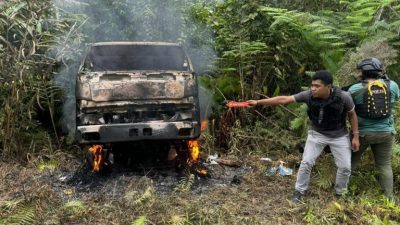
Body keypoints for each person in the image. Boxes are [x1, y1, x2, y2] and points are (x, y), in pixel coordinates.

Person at [247, 70, 359, 203]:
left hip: (339, 135)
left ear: (329, 87)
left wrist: (355, 136)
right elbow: (284, 99)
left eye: (317, 86)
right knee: (306, 162)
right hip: (317, 134)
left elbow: (352, 115)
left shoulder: (344, 97)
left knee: (345, 167)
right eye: (312, 85)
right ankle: (299, 191)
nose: (313, 88)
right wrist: (258, 102)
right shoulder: (308, 95)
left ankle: (341, 193)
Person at [348, 58, 399, 202]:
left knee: (351, 162)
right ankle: (389, 198)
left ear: (362, 72)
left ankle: (342, 192)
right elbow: (394, 101)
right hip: (386, 133)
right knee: (384, 165)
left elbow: (350, 111)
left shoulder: (354, 89)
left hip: (362, 134)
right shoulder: (392, 85)